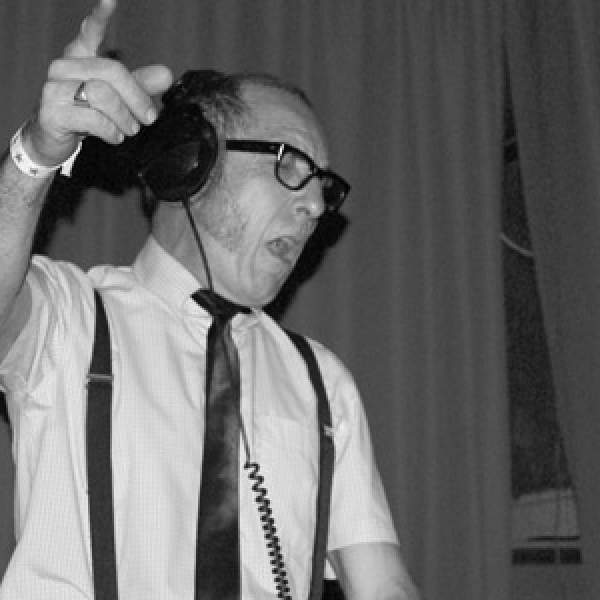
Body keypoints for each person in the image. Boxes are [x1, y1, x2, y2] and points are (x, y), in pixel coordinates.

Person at [0, 1, 420, 599]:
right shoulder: (70, 317)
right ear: (190, 163)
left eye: (324, 187)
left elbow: (384, 587)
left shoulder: (322, 382)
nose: (314, 205)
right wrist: (37, 154)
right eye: (292, 165)